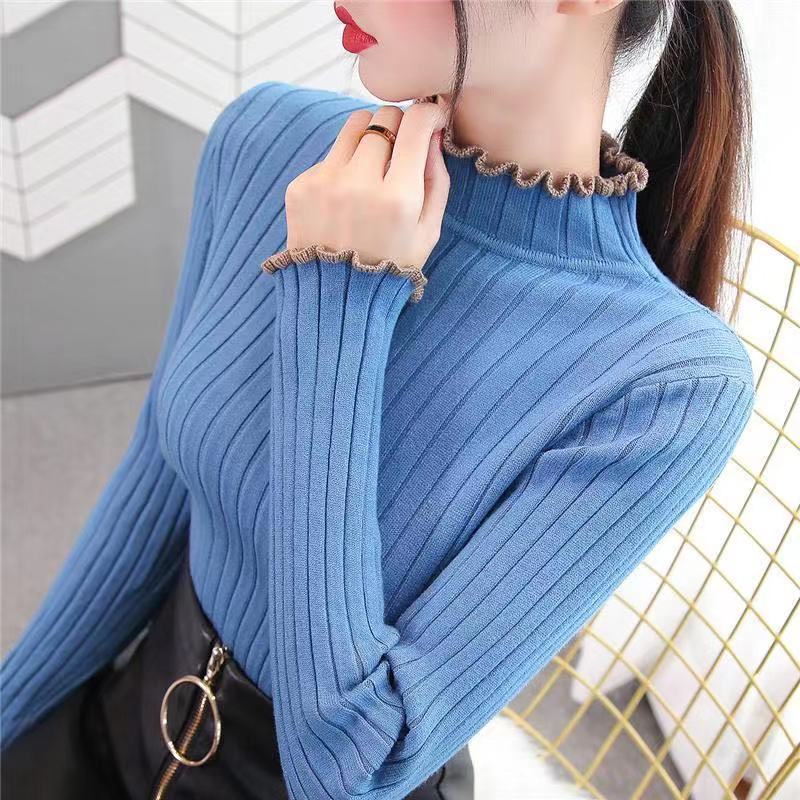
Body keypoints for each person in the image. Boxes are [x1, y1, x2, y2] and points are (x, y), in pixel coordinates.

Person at [0, 1, 755, 798]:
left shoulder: (668, 384)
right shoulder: (267, 140)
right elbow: (155, 484)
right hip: (127, 727)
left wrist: (340, 297)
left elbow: (348, 772)